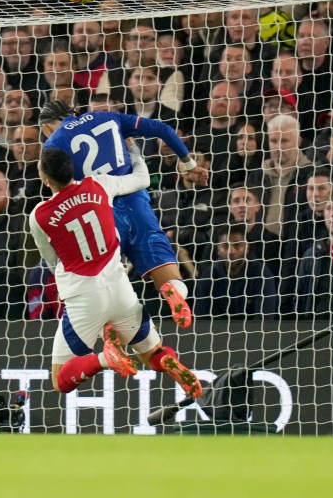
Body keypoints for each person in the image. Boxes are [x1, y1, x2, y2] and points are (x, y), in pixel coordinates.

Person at [30, 146, 202, 399]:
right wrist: (133, 150)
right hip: (120, 288)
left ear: (46, 179)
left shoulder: (38, 216)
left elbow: (51, 259)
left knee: (60, 379)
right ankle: (168, 358)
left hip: (83, 298)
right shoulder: (98, 185)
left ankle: (103, 358)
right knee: (152, 352)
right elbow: (142, 178)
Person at [39, 99, 208, 328]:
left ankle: (110, 332)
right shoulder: (108, 117)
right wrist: (188, 165)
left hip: (99, 214)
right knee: (162, 262)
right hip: (136, 201)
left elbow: (61, 187)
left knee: (105, 284)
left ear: (47, 127)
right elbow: (163, 129)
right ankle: (174, 292)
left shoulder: (52, 145)